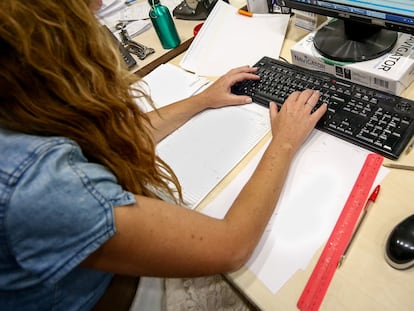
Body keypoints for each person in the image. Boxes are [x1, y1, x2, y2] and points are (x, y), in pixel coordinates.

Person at [0, 1, 327, 310]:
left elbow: (119, 137)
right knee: (261, 291)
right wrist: (283, 142)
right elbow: (231, 245)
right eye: (86, 13)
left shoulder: (19, 113)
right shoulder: (37, 185)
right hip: (117, 297)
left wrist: (202, 100)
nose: (100, 7)